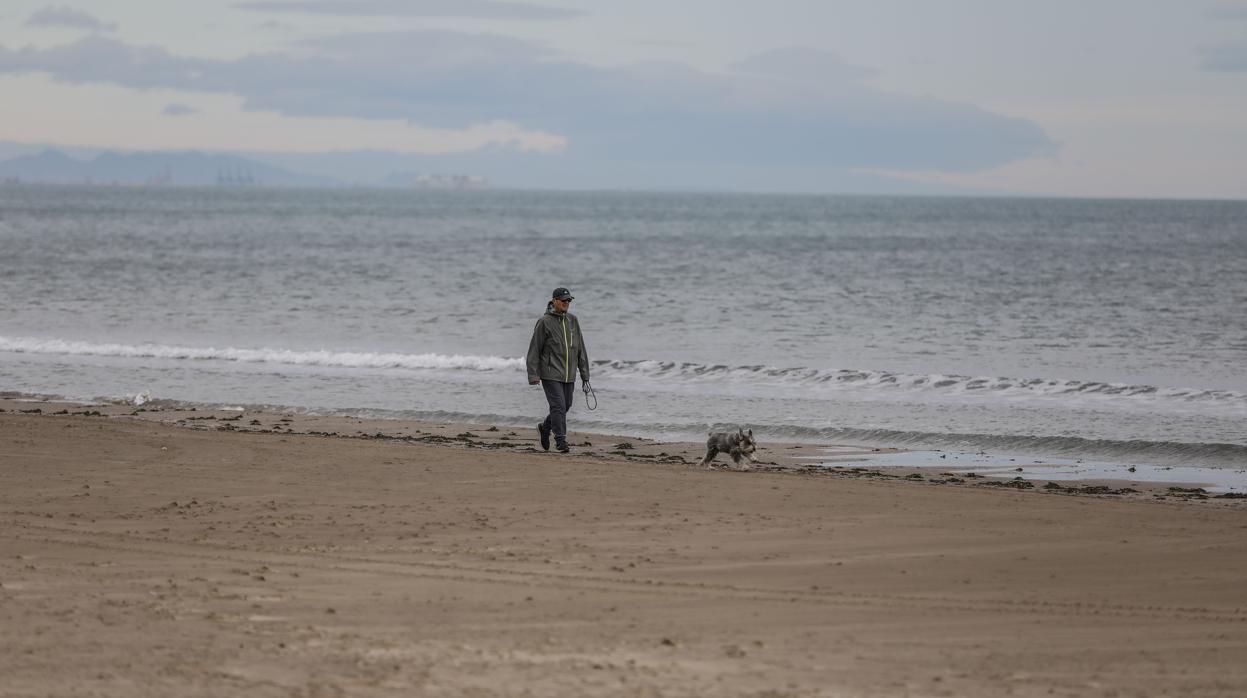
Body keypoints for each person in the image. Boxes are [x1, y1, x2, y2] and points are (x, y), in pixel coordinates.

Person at [527, 287, 590, 453]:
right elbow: (534, 349)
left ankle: (545, 428)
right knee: (558, 406)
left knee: (566, 405)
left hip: (569, 374)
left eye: (568, 300)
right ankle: (561, 440)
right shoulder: (544, 322)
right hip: (550, 372)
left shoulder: (573, 320)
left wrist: (585, 374)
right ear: (554, 301)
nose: (566, 303)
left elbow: (580, 349)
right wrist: (533, 374)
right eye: (563, 300)